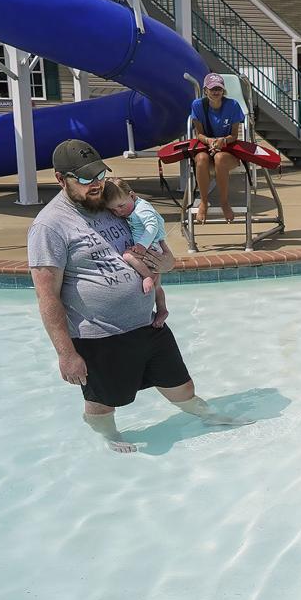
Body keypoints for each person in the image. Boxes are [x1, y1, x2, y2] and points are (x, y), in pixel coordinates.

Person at [28, 139, 240, 453]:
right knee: (104, 402)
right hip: (101, 337)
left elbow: (159, 249)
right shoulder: (50, 226)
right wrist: (66, 354)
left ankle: (208, 416)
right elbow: (47, 296)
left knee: (182, 386)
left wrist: (166, 262)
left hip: (148, 324)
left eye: (99, 174)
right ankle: (107, 435)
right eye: (85, 178)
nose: (96, 184)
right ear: (61, 179)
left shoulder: (111, 204)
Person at [104, 178, 170, 332]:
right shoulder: (131, 208)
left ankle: (148, 276)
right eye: (113, 210)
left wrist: (142, 245)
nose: (119, 212)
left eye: (121, 206)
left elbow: (152, 226)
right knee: (157, 287)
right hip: (149, 247)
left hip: (151, 246)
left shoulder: (142, 208)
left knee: (128, 256)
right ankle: (162, 310)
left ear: (132, 196)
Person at [191, 72, 245, 224]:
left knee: (219, 158)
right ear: (205, 90)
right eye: (212, 88)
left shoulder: (233, 105)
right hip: (206, 148)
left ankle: (224, 202)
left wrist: (223, 141)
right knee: (201, 158)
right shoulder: (197, 105)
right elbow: (199, 134)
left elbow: (234, 135)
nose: (216, 92)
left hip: (227, 150)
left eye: (219, 89)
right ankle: (203, 202)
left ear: (223, 90)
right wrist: (210, 141)